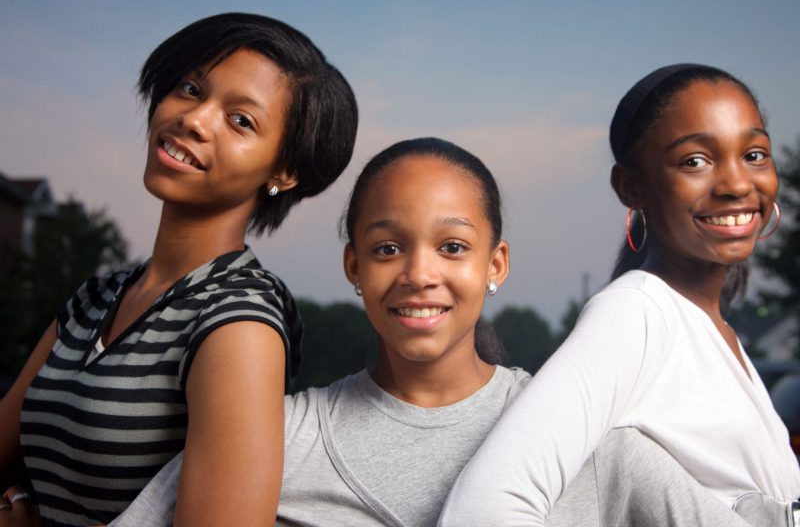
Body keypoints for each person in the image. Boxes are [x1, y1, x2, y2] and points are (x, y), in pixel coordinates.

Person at [109, 137, 757, 527]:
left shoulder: (586, 439)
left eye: (452, 246)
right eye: (388, 249)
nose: (421, 274)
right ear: (354, 267)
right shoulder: (274, 439)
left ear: (494, 264)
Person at [0, 12, 358, 526]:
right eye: (191, 88)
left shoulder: (239, 324)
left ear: (284, 170)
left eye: (241, 120)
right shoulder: (94, 300)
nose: (194, 118)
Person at [439, 64, 800, 526]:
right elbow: (484, 509)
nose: (736, 184)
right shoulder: (637, 313)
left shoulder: (713, 328)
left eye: (754, 154)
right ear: (630, 186)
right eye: (695, 161)